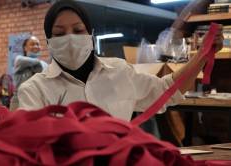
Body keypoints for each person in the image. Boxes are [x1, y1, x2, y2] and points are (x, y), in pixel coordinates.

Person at [18, 0, 223, 121]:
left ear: (90, 35)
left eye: (78, 30)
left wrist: (202, 55)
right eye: (60, 33)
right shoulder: (34, 90)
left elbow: (167, 90)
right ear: (49, 42)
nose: (70, 38)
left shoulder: (120, 73)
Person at [9, 35, 48, 111]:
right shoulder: (19, 60)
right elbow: (39, 65)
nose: (36, 46)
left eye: (37, 44)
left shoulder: (44, 64)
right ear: (25, 48)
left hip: (36, 103)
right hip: (19, 103)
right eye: (32, 44)